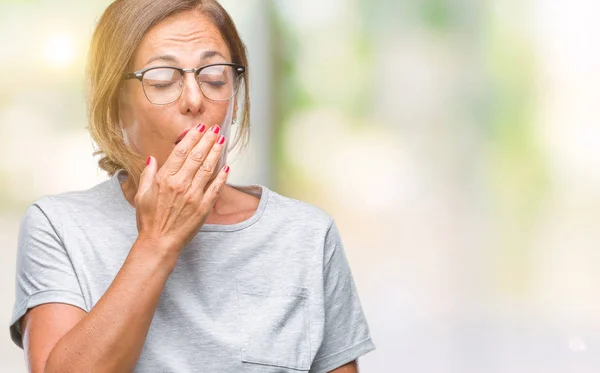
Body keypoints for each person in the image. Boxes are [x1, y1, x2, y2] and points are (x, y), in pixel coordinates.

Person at [9, 1, 376, 372]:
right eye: (162, 80)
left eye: (215, 77)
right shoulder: (58, 226)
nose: (194, 100)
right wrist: (157, 242)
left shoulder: (308, 235)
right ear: (116, 103)